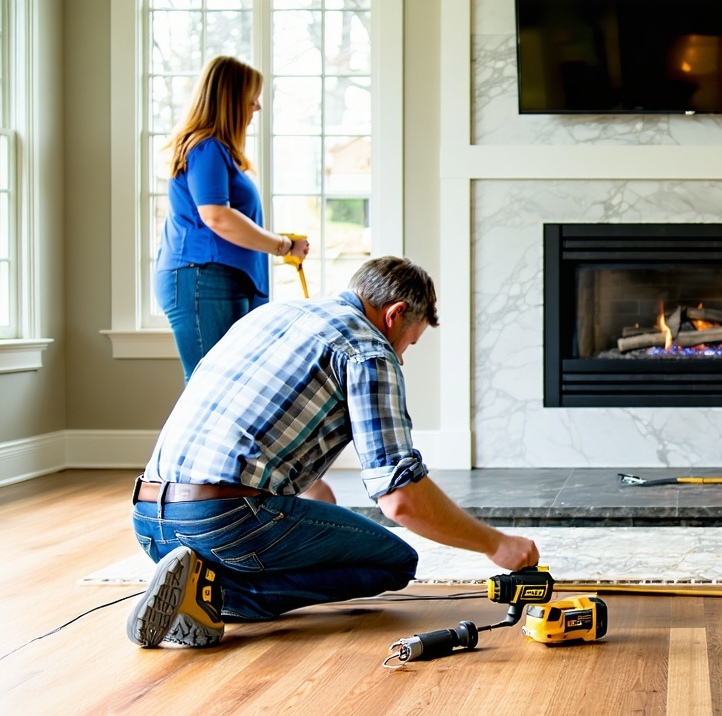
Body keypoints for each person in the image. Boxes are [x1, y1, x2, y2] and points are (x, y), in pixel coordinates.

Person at [127, 256, 539, 648]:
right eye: (408, 344)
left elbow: (250, 423)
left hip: (148, 520)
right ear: (394, 315)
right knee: (394, 562)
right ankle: (216, 595)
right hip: (223, 523)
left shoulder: (270, 315)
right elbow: (401, 500)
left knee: (314, 524)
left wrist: (305, 488)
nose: (401, 357)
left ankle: (190, 583)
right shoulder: (368, 350)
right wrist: (495, 543)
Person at [157, 55, 310, 381]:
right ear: (231, 98)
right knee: (213, 384)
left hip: (212, 278)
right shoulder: (207, 148)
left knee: (227, 385)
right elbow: (216, 216)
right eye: (252, 97)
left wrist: (283, 243)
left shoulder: (215, 151)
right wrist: (281, 245)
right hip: (203, 278)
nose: (257, 106)